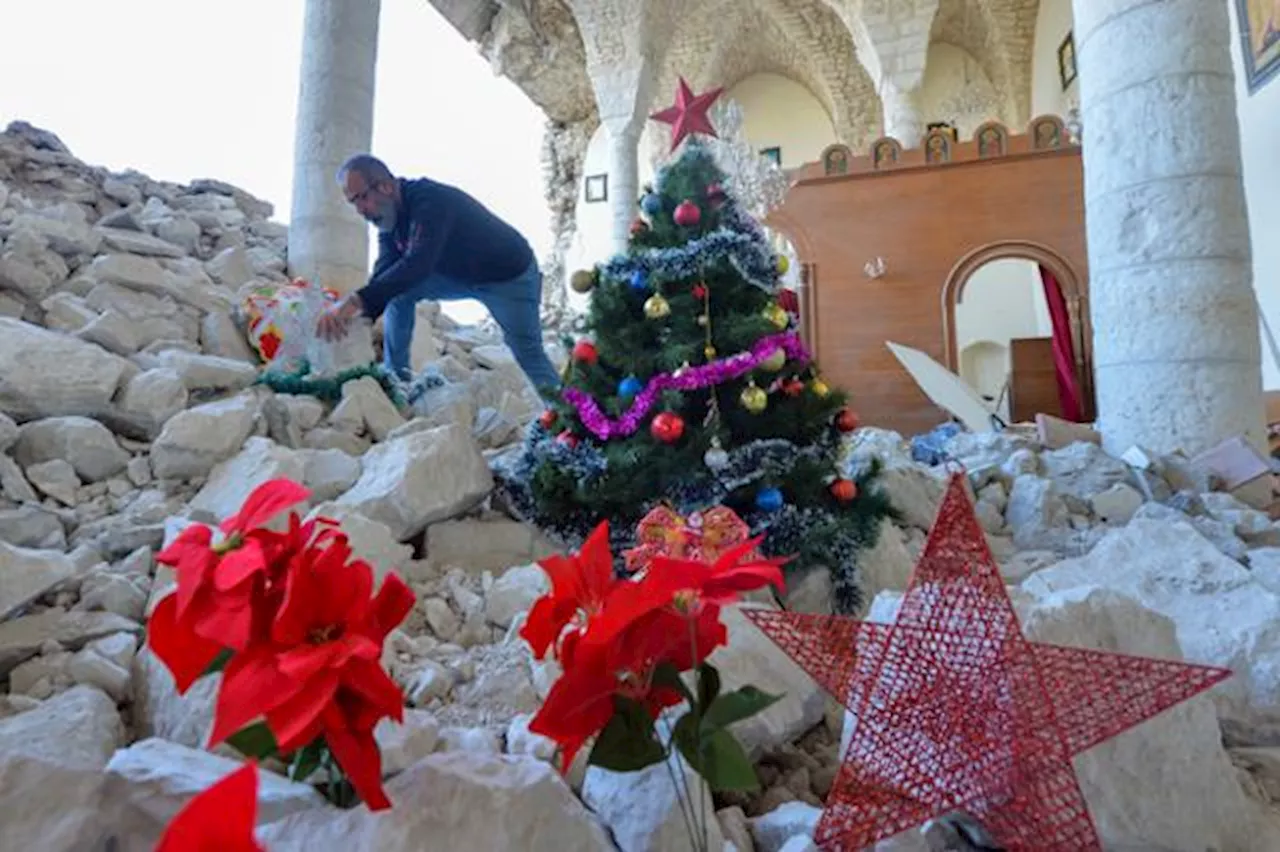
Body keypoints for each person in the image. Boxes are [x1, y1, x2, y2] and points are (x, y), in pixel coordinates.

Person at [316, 154, 561, 396]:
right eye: (352, 202)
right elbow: (385, 274)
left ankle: (580, 422)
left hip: (508, 278)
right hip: (456, 275)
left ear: (386, 186)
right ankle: (396, 383)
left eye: (362, 198)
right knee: (397, 292)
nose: (360, 210)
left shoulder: (431, 201)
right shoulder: (387, 218)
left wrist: (352, 302)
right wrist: (360, 315)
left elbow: (419, 263)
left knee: (529, 353)